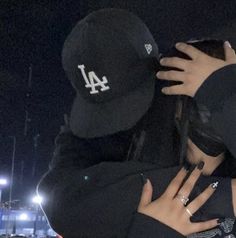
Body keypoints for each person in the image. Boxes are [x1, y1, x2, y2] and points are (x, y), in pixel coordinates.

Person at [37, 9, 236, 238]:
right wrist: (219, 196)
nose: (112, 125)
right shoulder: (99, 144)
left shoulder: (169, 111)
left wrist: (225, 92)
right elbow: (59, 200)